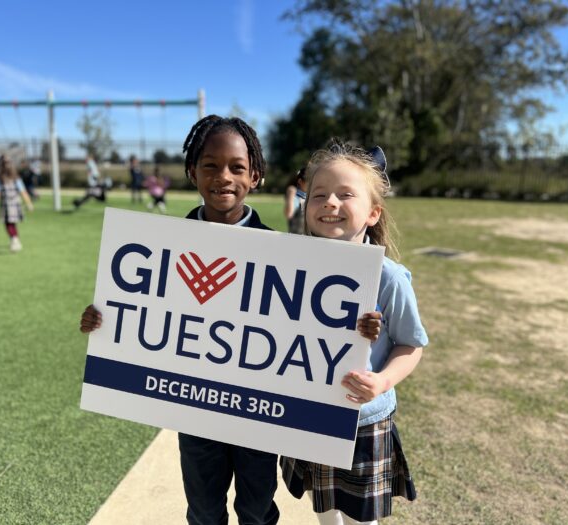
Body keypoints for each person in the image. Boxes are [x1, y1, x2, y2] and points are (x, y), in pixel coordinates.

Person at [79, 116, 381, 525]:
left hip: (259, 414)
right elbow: (139, 310)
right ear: (192, 172)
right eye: (210, 165)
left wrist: (354, 328)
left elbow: (313, 324)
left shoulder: (285, 253)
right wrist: (105, 318)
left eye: (237, 167)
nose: (223, 177)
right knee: (203, 510)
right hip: (194, 412)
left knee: (256, 511)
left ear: (254, 175)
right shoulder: (158, 246)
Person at [280, 140, 428, 525]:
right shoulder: (289, 268)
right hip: (309, 412)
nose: (330, 202)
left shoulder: (389, 278)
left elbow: (411, 345)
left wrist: (381, 381)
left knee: (362, 519)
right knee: (325, 512)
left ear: (373, 212)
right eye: (319, 194)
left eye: (345, 194)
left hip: (363, 423)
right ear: (304, 205)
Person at [0, 156, 34, 252]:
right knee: (13, 223)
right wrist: (29, 204)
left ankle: (14, 239)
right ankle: (15, 240)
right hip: (16, 203)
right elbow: (23, 192)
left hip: (7, 205)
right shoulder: (16, 179)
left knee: (8, 224)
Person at [284, 167, 307, 233]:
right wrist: (290, 197)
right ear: (300, 181)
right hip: (297, 238)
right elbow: (289, 214)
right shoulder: (295, 197)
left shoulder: (312, 196)